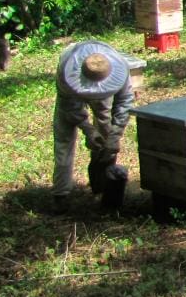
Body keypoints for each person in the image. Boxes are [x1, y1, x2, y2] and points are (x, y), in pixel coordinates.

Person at [52, 40, 133, 211]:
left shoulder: (119, 69)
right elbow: (69, 109)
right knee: (63, 142)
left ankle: (101, 184)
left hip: (103, 84)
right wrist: (88, 129)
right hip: (71, 95)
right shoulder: (66, 69)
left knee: (105, 131)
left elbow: (125, 103)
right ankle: (61, 195)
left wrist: (115, 136)